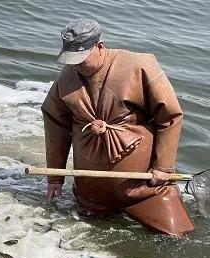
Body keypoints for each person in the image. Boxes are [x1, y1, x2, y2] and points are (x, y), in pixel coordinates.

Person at [42, 19, 194, 235]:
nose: (76, 65)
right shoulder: (67, 77)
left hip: (145, 188)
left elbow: (169, 117)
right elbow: (55, 124)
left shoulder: (140, 66)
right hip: (92, 190)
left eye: (81, 59)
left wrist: (163, 167)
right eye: (71, 60)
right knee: (89, 241)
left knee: (179, 236)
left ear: (100, 47)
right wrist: (54, 178)